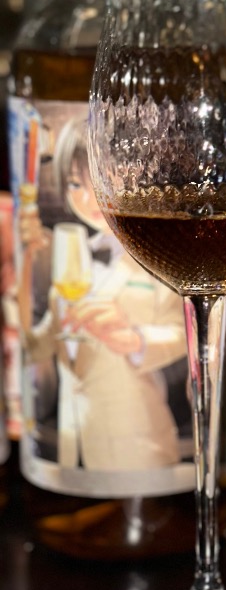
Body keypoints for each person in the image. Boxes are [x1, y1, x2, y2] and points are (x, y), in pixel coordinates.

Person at [18, 117, 188, 471]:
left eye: (100, 179)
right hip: (71, 446)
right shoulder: (72, 262)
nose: (87, 198)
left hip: (138, 444)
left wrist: (135, 339)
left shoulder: (160, 252)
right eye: (74, 184)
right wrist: (26, 258)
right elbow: (35, 346)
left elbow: (188, 332)